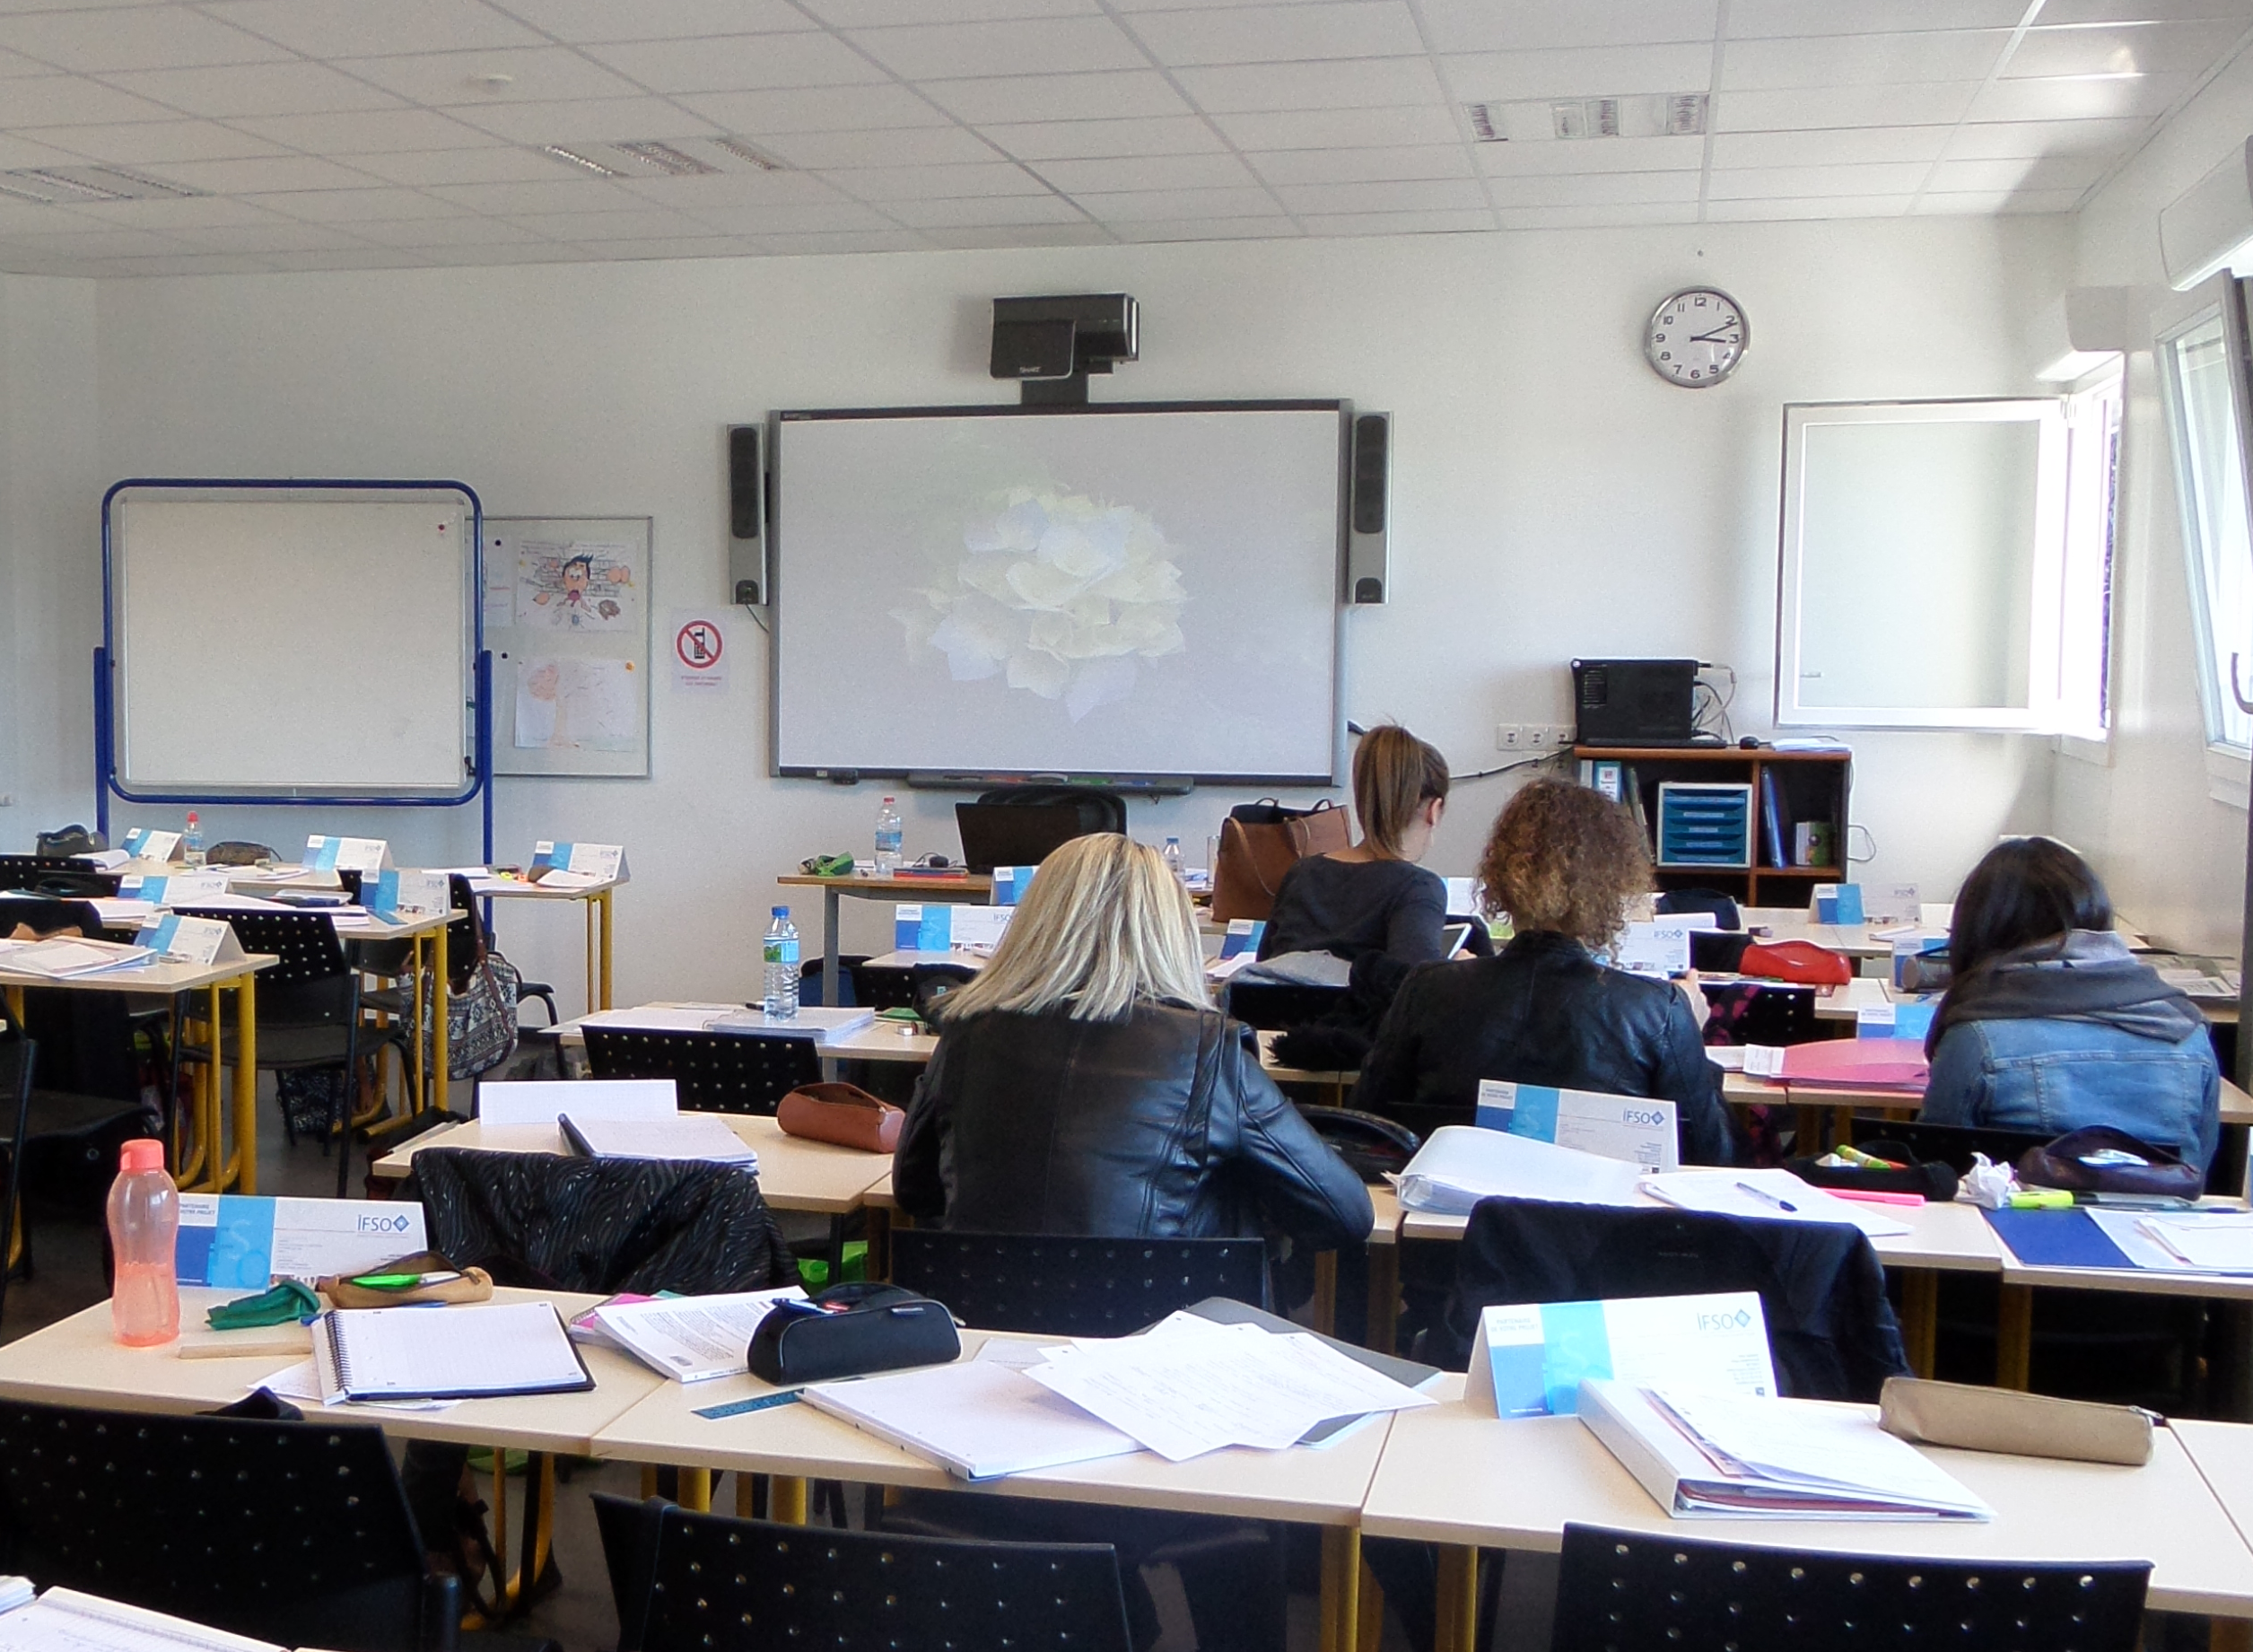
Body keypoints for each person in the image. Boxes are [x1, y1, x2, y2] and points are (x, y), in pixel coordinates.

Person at [893, 832, 1372, 1247]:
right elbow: (1344, 1214)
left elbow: (914, 1191)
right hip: (1161, 1318)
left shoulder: (966, 1033)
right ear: (1170, 930)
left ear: (1035, 923)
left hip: (983, 1313)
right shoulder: (1207, 1050)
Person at [1356, 776, 1733, 1165]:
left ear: (1501, 875)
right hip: (1596, 1204)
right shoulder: (1659, 1011)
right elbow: (1712, 1159)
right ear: (1613, 886)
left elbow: (1366, 1128)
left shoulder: (1427, 989)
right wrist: (1694, 1040)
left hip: (1456, 1199)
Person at [1924, 837, 2219, 1173]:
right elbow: (2199, 1166)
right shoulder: (2189, 1033)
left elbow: (1938, 1164)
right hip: (2161, 1207)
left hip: (2020, 1206)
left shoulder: (1975, 1038)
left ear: (1979, 928)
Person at [1257, 723, 1452, 966]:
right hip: (1366, 994)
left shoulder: (1302, 873)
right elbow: (1416, 983)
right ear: (1434, 810)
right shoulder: (1418, 887)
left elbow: (1265, 966)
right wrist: (1459, 970)